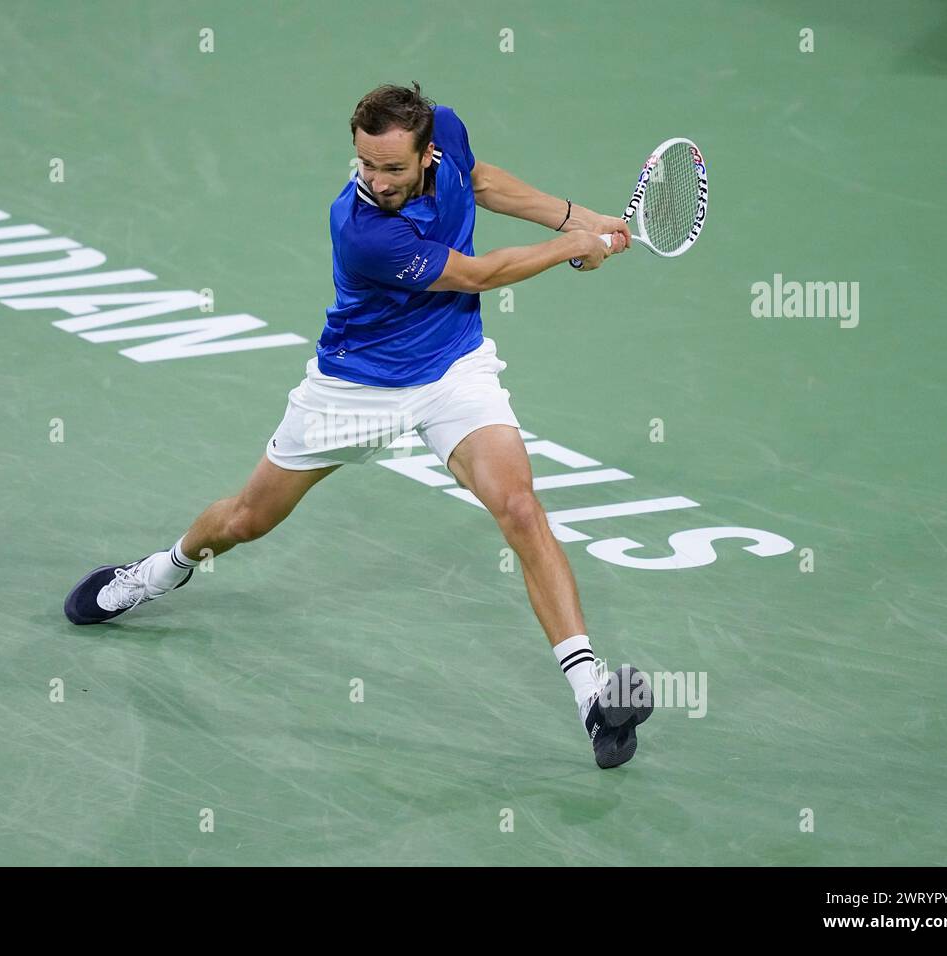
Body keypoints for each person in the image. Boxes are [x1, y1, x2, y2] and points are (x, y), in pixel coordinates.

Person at [65, 82, 653, 769]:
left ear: (428, 152)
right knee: (247, 520)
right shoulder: (363, 229)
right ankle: (158, 573)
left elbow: (482, 181)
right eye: (365, 164)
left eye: (392, 167)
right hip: (354, 391)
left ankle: (592, 699)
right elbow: (475, 275)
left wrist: (578, 220)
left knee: (520, 509)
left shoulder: (448, 133)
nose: (376, 180)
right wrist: (572, 247)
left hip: (453, 373)